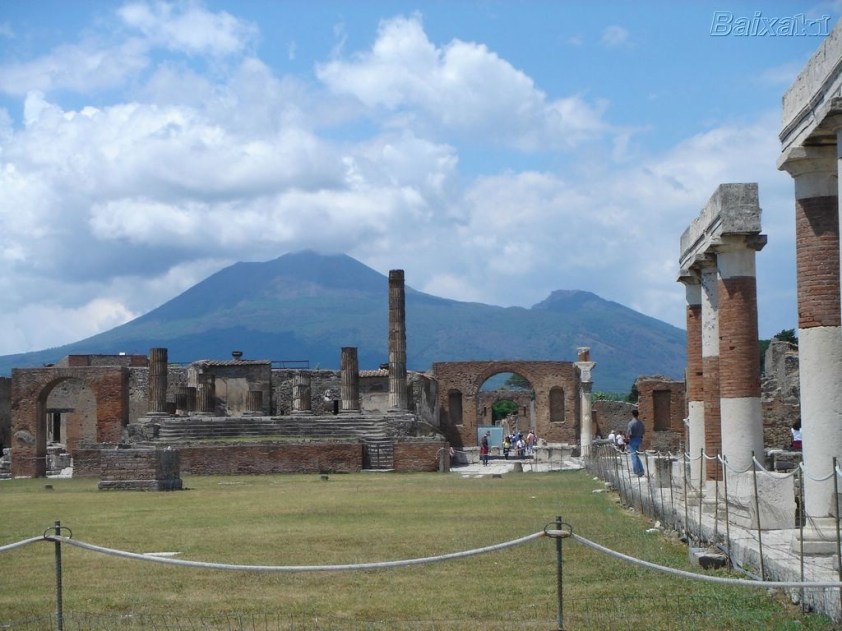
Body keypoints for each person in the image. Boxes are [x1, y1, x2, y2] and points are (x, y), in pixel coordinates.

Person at [627, 409, 646, 476]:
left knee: (633, 455)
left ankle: (636, 471)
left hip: (633, 439)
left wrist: (627, 439)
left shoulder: (631, 423)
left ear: (632, 414)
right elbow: (643, 431)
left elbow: (629, 433)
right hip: (639, 439)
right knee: (636, 455)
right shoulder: (641, 423)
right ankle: (641, 469)